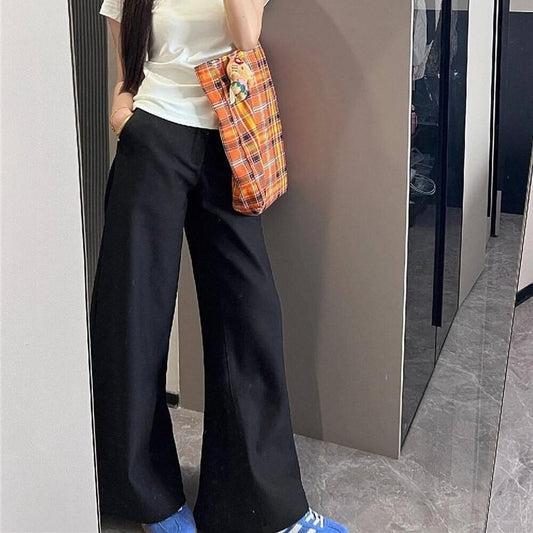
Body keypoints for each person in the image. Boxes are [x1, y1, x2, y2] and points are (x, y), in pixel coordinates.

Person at [90, 1, 349, 532]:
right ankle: (150, 501)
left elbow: (246, 38)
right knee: (132, 320)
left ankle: (263, 509)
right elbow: (126, 73)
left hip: (228, 141)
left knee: (250, 317)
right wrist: (123, 116)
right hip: (152, 140)